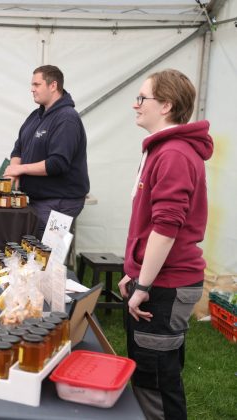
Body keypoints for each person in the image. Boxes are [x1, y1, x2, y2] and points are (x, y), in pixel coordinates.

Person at [118, 69, 213, 420]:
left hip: (167, 283)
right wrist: (135, 272)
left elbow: (166, 229)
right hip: (158, 279)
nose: (135, 104)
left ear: (167, 105)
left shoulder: (173, 153)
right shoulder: (164, 150)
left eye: (142, 98)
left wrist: (143, 283)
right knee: (152, 373)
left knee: (156, 381)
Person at [4, 65, 89, 237]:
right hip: (39, 201)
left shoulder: (66, 118)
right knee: (36, 253)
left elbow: (57, 164)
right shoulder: (35, 116)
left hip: (59, 202)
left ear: (53, 86)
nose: (32, 89)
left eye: (37, 85)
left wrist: (20, 169)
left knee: (46, 256)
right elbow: (18, 149)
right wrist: (13, 174)